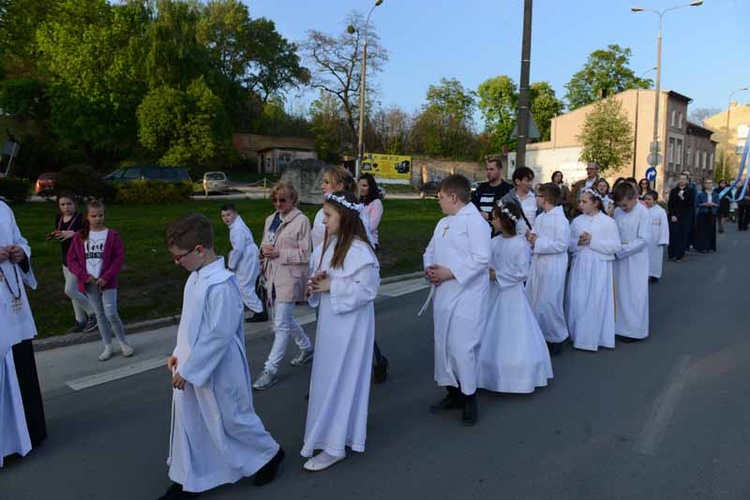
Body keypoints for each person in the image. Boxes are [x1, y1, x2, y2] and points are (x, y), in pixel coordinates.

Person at [161, 214, 284, 499]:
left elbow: (218, 334)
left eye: (179, 257)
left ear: (200, 250)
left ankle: (270, 454)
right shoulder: (195, 278)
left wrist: (191, 370)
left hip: (218, 369)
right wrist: (178, 354)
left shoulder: (221, 285)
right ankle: (189, 479)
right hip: (191, 366)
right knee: (192, 421)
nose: (176, 262)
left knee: (233, 419)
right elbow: (190, 325)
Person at [302, 191, 380, 471]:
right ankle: (330, 433)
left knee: (341, 379)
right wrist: (317, 283)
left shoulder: (360, 251)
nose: (323, 221)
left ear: (345, 218)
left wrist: (331, 286)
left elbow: (368, 289)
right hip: (332, 326)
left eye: (328, 215)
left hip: (350, 328)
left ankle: (335, 445)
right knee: (326, 379)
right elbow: (327, 280)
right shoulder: (332, 245)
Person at [424, 174, 490, 426]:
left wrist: (449, 273)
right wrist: (429, 269)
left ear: (453, 197)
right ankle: (453, 391)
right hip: (444, 293)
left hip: (467, 295)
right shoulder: (443, 223)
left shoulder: (476, 222)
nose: (438, 202)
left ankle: (469, 397)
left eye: (440, 197)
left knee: (463, 346)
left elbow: (482, 259)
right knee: (444, 345)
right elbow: (430, 250)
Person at [315, 166, 388, 383]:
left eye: (327, 182)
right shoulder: (326, 214)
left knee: (351, 346)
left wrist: (333, 285)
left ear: (339, 186)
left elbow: (364, 285)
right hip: (330, 284)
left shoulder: (356, 226)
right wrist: (317, 275)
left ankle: (375, 360)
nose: (322, 186)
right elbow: (318, 244)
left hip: (347, 299)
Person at [478, 202, 552, 393]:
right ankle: (489, 373)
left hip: (511, 294)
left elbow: (522, 273)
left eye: (494, 218)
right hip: (494, 293)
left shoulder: (520, 245)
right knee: (490, 331)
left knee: (511, 331)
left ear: (503, 221)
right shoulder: (493, 242)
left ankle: (516, 376)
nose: (491, 221)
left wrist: (498, 275)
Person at [253, 181, 314, 391]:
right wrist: (263, 252)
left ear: (293, 200)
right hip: (271, 275)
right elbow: (264, 244)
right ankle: (306, 347)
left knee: (280, 324)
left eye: (282, 200)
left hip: (290, 276)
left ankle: (270, 369)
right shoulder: (271, 219)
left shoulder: (302, 221)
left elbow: (306, 253)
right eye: (274, 200)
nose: (278, 204)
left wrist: (280, 253)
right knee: (285, 318)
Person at [1, 200, 47, 467]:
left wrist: (21, 252)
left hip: (13, 301)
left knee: (21, 365)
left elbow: (21, 240)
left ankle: (31, 431)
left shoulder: (4, 208)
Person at [67, 201, 134, 361]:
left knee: (111, 313)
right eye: (94, 216)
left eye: (101, 215)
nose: (98, 219)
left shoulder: (112, 235)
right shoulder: (79, 237)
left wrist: (107, 276)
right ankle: (108, 346)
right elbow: (72, 260)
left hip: (107, 282)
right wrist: (83, 275)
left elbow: (118, 258)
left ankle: (123, 343)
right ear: (87, 217)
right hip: (90, 284)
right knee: (100, 315)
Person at [566, 189, 621, 351]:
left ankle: (596, 336)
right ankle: (577, 334)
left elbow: (615, 246)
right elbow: (569, 244)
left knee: (595, 300)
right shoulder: (576, 222)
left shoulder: (608, 222)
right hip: (580, 265)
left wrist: (593, 240)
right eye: (580, 201)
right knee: (578, 299)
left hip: (599, 267)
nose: (580, 205)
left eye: (584, 201)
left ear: (595, 202)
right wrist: (578, 242)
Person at [525, 183, 570, 355]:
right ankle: (541, 336)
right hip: (539, 263)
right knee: (536, 300)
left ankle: (557, 337)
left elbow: (562, 244)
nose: (535, 199)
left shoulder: (561, 219)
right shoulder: (541, 217)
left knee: (550, 302)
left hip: (553, 265)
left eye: (537, 196)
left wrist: (538, 243)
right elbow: (536, 234)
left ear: (545, 199)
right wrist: (531, 238)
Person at [49, 193, 96, 334]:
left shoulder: (81, 218)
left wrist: (74, 234)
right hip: (66, 259)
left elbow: (91, 233)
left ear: (75, 204)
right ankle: (80, 321)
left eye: (69, 204)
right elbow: (62, 232)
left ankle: (94, 314)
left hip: (79, 259)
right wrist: (56, 234)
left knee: (69, 290)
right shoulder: (59, 218)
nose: (66, 207)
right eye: (62, 205)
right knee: (74, 293)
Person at [612, 182, 651, 342]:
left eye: (625, 205)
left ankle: (635, 330)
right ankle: (619, 327)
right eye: (620, 205)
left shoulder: (643, 213)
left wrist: (623, 250)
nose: (623, 208)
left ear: (634, 197)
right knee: (620, 292)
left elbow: (643, 239)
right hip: (618, 258)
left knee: (635, 294)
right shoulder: (617, 212)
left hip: (635, 258)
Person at [220, 204, 267, 323]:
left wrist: (231, 265)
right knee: (247, 284)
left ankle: (259, 310)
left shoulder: (237, 229)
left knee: (244, 286)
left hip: (247, 257)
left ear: (235, 213)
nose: (226, 218)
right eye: (223, 216)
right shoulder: (237, 225)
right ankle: (258, 309)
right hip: (248, 255)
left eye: (228, 215)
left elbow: (239, 249)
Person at [471, 156, 514, 225]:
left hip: (498, 231)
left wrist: (490, 216)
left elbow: (509, 212)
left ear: (500, 170)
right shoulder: (481, 188)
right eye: (487, 169)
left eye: (491, 169)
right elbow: (472, 205)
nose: (488, 172)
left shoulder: (507, 189)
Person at [501, 166, 537, 234]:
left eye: (531, 181)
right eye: (527, 181)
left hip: (532, 241)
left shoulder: (537, 198)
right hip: (513, 239)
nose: (530, 184)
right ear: (517, 181)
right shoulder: (506, 200)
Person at [643, 191, 669, 283]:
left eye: (649, 199)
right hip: (644, 235)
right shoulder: (642, 209)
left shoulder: (661, 211)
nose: (647, 201)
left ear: (655, 200)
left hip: (655, 236)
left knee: (655, 256)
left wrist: (663, 239)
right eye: (645, 199)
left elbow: (664, 226)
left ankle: (654, 274)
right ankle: (644, 273)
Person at [667, 174, 695, 262]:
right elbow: (670, 204)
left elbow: (690, 204)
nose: (682, 180)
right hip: (674, 216)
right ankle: (672, 254)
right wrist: (672, 215)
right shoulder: (674, 191)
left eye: (684, 179)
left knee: (682, 236)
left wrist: (682, 197)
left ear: (687, 181)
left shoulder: (690, 191)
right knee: (673, 235)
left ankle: (679, 255)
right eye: (680, 179)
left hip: (685, 217)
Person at [358, 173, 384, 251]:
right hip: (357, 240)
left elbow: (372, 226)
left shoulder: (376, 203)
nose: (361, 188)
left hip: (370, 241)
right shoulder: (359, 201)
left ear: (371, 187)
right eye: (359, 185)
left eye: (364, 186)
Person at [695, 179, 719, 253]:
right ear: (705, 185)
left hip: (712, 213)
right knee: (702, 230)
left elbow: (718, 204)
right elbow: (697, 204)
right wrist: (704, 204)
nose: (709, 184)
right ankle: (702, 247)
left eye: (710, 183)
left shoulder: (715, 194)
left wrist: (713, 204)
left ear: (712, 185)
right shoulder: (700, 194)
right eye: (707, 183)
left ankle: (710, 246)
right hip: (703, 213)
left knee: (711, 230)